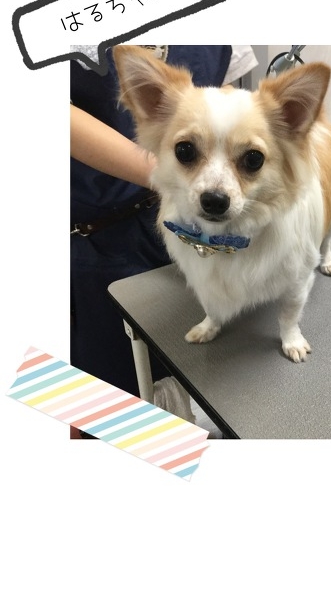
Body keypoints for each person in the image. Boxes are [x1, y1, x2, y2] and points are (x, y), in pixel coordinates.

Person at [70, 46, 258, 429]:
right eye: (186, 152)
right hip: (101, 232)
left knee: (204, 367)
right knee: (115, 388)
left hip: (194, 230)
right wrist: (169, 174)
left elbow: (227, 96)